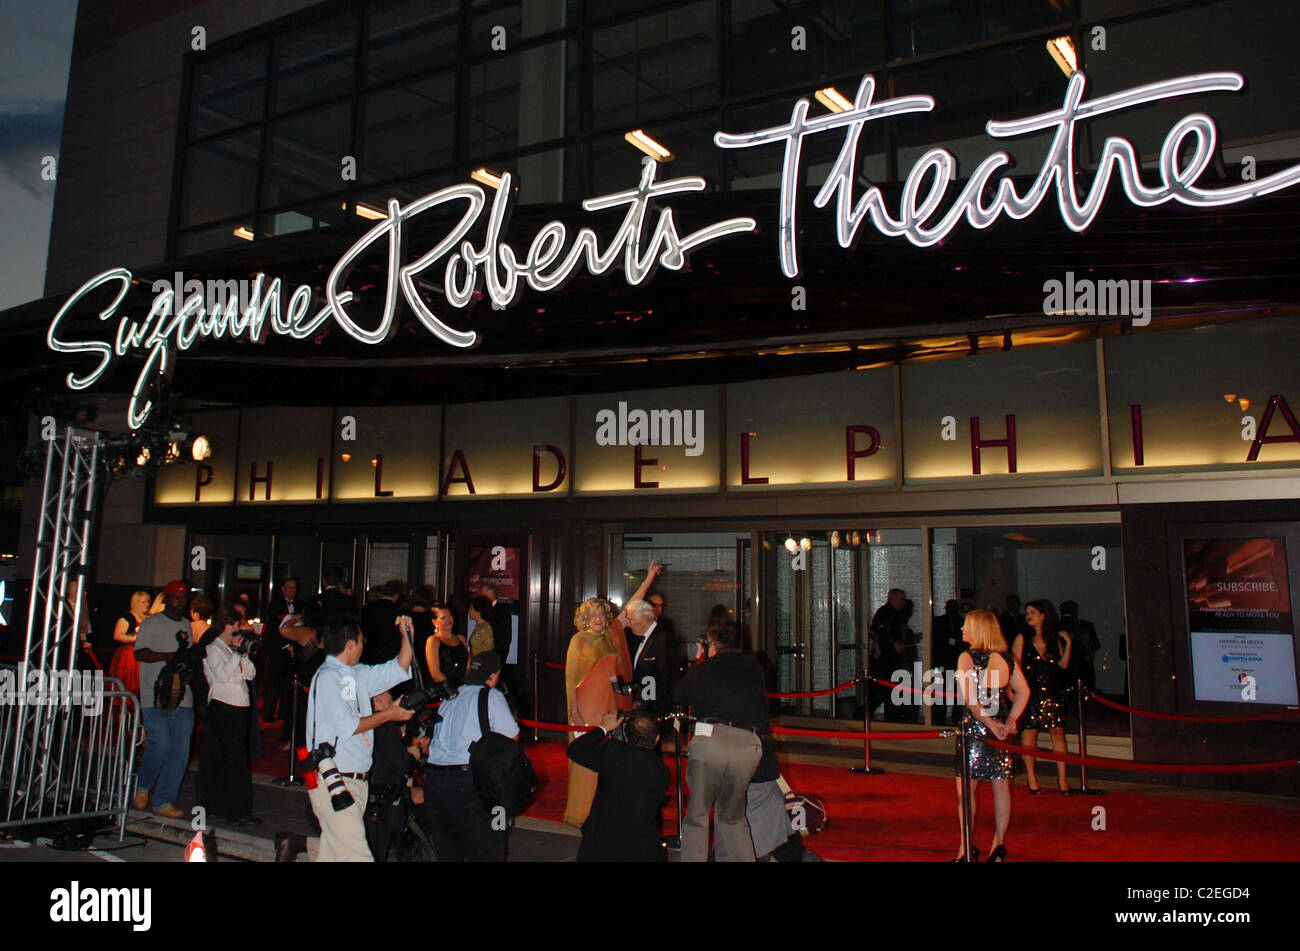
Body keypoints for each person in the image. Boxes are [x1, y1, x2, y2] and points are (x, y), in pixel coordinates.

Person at [298, 613, 415, 862]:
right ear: (350, 644)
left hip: (356, 782)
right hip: (334, 781)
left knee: (333, 856)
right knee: (358, 857)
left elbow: (399, 668)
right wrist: (389, 714)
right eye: (362, 640)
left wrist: (406, 635)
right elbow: (349, 727)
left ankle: (289, 844)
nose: (365, 644)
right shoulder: (328, 677)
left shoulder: (357, 674)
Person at [674, 621, 768, 862]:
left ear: (713, 644)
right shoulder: (756, 668)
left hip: (713, 740)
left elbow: (680, 694)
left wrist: (699, 661)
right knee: (733, 816)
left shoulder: (707, 668)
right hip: (749, 743)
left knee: (698, 815)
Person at [423, 652, 519, 861]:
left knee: (449, 850)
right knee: (489, 847)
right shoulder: (492, 696)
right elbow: (512, 738)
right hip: (472, 782)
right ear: (494, 676)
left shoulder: (451, 696)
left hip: (436, 781)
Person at [953, 608, 1030, 862]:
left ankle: (966, 848)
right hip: (1000, 729)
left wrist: (989, 723)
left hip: (976, 730)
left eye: (966, 625)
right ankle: (998, 846)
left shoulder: (967, 657)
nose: (962, 629)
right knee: (1001, 787)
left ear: (977, 629)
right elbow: (1024, 693)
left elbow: (972, 701)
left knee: (966, 791)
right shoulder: (1006, 658)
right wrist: (1008, 721)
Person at [566, 708, 670, 862]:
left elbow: (575, 750)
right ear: (657, 739)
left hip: (599, 846)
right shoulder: (661, 771)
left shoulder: (613, 753)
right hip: (641, 849)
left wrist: (604, 728)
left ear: (626, 736)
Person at [564, 596, 634, 826]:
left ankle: (605, 811)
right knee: (587, 757)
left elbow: (614, 674)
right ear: (584, 619)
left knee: (609, 757)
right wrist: (575, 711)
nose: (598, 619)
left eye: (602, 615)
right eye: (593, 615)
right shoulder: (579, 640)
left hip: (609, 705)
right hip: (586, 706)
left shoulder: (610, 639)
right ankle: (582, 812)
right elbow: (571, 680)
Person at [132, 580, 195, 819]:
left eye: (183, 598)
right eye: (176, 597)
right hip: (155, 695)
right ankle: (144, 785)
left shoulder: (187, 625)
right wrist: (168, 657)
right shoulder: (152, 623)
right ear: (167, 599)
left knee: (180, 749)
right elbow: (140, 653)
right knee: (161, 744)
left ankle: (164, 800)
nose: (180, 602)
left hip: (182, 696)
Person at [196, 607, 259, 827]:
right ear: (224, 626)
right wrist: (237, 656)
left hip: (239, 706)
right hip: (224, 707)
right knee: (231, 760)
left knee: (234, 758)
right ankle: (237, 811)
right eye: (234, 624)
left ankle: (224, 806)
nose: (237, 629)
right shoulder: (214, 649)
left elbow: (250, 674)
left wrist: (243, 655)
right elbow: (222, 676)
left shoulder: (230, 650)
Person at [1012, 599, 1073, 795]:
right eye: (1027, 612)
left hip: (1052, 691)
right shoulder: (1022, 638)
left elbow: (1062, 665)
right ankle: (1031, 777)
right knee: (1030, 735)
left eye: (1033, 612)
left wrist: (1069, 644)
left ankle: (1063, 779)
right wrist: (1011, 690)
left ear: (1043, 615)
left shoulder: (1054, 639)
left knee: (1058, 734)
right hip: (1031, 692)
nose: (1028, 615)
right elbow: (1015, 667)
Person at [364, 688, 422, 862]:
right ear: (376, 703)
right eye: (389, 702)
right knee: (377, 849)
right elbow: (401, 764)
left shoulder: (363, 723)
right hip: (382, 797)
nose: (394, 706)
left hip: (366, 793)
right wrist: (412, 756)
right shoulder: (385, 725)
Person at [622, 598, 678, 720]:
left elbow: (667, 678)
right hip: (642, 709)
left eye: (630, 620)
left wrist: (643, 699)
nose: (628, 624)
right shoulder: (636, 639)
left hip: (655, 711)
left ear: (643, 618)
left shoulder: (663, 639)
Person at [868, 588, 909, 721]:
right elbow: (881, 631)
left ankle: (891, 718)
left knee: (888, 691)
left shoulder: (894, 614)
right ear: (892, 599)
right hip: (885, 660)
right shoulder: (886, 613)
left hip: (888, 659)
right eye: (900, 599)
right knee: (886, 691)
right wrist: (894, 644)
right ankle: (890, 719)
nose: (903, 603)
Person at [109, 590, 149, 696]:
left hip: (145, 654)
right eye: (143, 602)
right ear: (136, 603)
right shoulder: (127, 618)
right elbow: (117, 635)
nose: (147, 604)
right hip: (129, 656)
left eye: (148, 602)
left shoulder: (149, 618)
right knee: (128, 683)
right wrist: (134, 638)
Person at [360, 580, 405, 665]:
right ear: (397, 595)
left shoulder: (368, 609)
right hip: (390, 656)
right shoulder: (399, 611)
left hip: (369, 653)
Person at [1059, 600, 1099, 694]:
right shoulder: (1086, 625)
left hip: (1063, 667)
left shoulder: (1054, 626)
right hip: (1084, 667)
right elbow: (1095, 644)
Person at [425, 604, 469, 688]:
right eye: (443, 618)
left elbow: (468, 665)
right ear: (435, 622)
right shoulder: (433, 641)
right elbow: (435, 673)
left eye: (450, 616)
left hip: (464, 688)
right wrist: (452, 691)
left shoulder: (461, 638)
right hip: (444, 691)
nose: (449, 620)